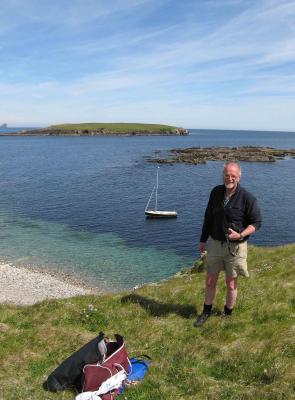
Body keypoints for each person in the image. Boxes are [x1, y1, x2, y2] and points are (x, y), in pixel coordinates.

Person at [194, 162, 261, 327]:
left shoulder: (247, 198)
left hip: (235, 248)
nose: (229, 178)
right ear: (223, 175)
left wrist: (241, 234)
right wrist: (203, 240)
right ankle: (206, 312)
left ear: (239, 176)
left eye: (233, 175)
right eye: (226, 175)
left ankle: (227, 313)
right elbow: (208, 217)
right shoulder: (216, 192)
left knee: (231, 283)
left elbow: (256, 223)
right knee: (210, 280)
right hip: (215, 243)